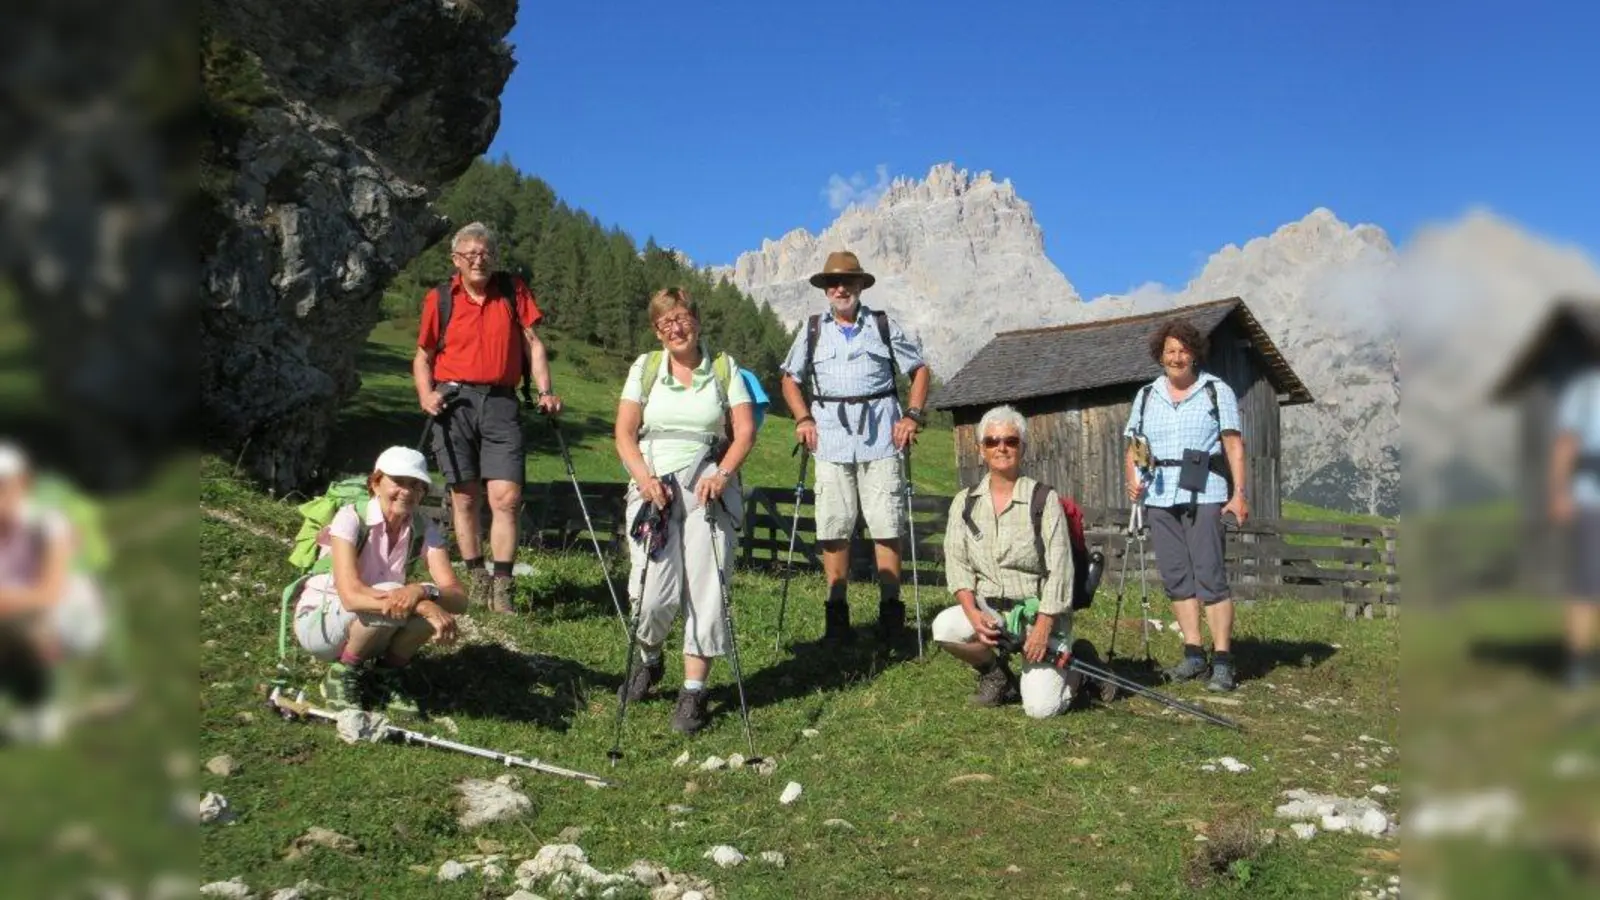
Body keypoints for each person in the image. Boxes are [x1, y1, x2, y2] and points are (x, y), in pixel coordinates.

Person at [613, 288, 756, 734]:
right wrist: (643, 479)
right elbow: (624, 433)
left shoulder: (724, 367)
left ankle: (694, 690)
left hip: (709, 490)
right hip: (653, 489)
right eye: (665, 322)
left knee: (707, 586)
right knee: (651, 595)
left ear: (696, 320)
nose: (675, 328)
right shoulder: (646, 368)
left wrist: (724, 474)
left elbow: (745, 431)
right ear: (657, 331)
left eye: (682, 318)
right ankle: (650, 658)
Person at [778, 250, 931, 645]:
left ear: (861, 285)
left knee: (887, 525)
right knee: (833, 527)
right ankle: (836, 616)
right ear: (825, 289)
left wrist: (912, 415)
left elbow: (919, 370)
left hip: (881, 440)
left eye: (847, 281)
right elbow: (790, 379)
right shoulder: (813, 328)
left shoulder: (882, 324)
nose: (840, 288)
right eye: (833, 283)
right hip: (830, 442)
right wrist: (803, 418)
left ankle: (891, 614)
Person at [413, 222, 563, 614]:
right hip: (453, 402)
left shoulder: (512, 291)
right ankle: (477, 578)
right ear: (456, 259)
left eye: (486, 253)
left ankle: (503, 587)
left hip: (501, 402)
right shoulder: (440, 298)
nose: (479, 260)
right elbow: (423, 356)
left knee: (506, 497)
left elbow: (533, 344)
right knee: (464, 497)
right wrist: (426, 395)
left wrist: (546, 391)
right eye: (471, 254)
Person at [932, 406, 1090, 716]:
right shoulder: (964, 503)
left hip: (1038, 614)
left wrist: (1043, 627)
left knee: (1040, 709)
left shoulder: (1044, 500)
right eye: (992, 441)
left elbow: (1060, 569)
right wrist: (973, 614)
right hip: (990, 612)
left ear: (1022, 448)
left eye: (1010, 441)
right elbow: (958, 565)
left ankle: (1080, 670)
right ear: (981, 450)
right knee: (944, 628)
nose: (1001, 447)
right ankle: (997, 676)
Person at [1123, 319, 1248, 692]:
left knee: (1210, 574)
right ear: (1160, 356)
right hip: (1160, 495)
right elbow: (1135, 444)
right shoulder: (1147, 395)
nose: (1176, 358)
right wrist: (1133, 478)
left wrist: (1239, 493)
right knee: (1176, 575)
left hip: (1205, 491)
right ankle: (1193, 655)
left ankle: (1222, 660)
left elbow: (1233, 444)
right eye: (1170, 351)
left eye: (1183, 350)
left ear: (1194, 354)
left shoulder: (1215, 391)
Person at [293, 446, 467, 712]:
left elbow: (458, 598)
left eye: (416, 485)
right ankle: (342, 674)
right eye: (398, 481)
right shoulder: (350, 518)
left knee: (418, 605)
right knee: (398, 594)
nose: (407, 491)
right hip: (321, 626)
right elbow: (351, 597)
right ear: (375, 483)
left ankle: (385, 676)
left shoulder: (424, 528)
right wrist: (422, 604)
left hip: (373, 626)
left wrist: (423, 591)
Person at [0, 443, 107, 743]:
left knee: (31, 622)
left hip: (68, 617)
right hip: (18, 613)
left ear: (21, 483)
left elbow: (49, 593)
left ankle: (46, 710)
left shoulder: (47, 522)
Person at [1547, 364, 1600, 689]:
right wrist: (1559, 493)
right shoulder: (1586, 389)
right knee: (1586, 583)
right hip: (1591, 500)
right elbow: (1566, 443)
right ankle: (1577, 661)